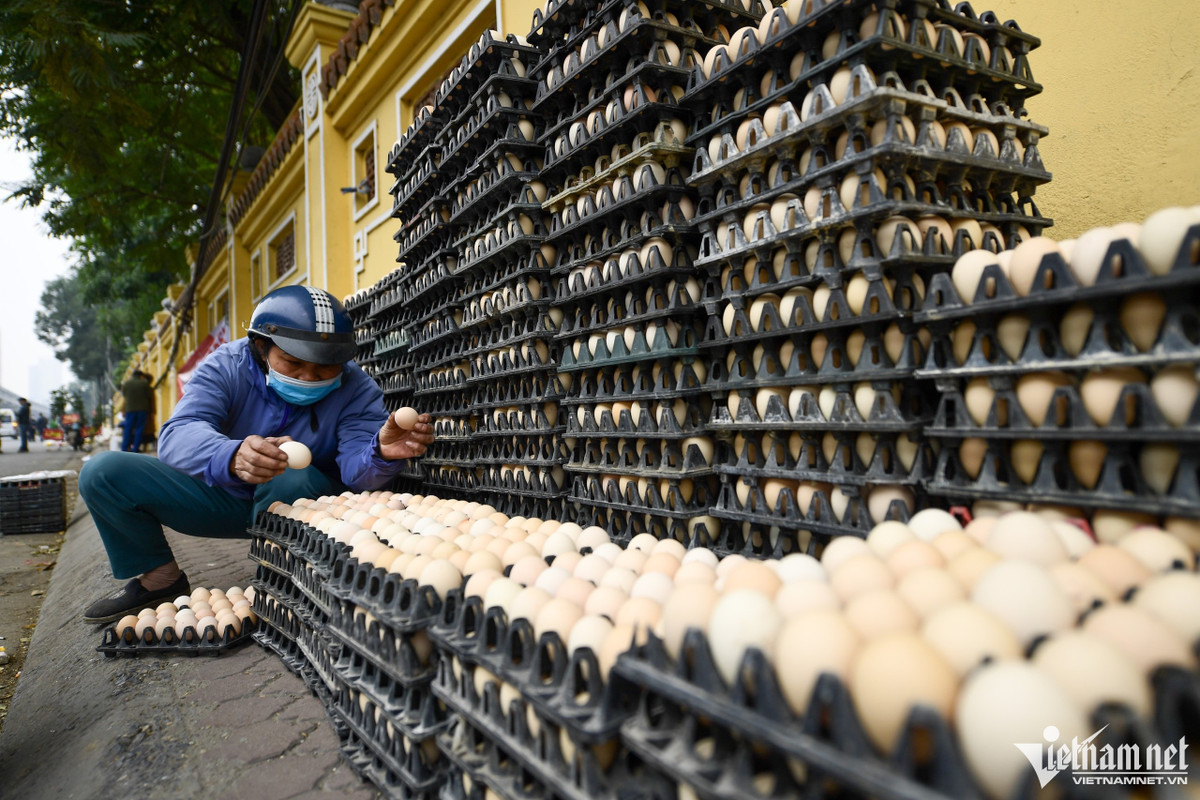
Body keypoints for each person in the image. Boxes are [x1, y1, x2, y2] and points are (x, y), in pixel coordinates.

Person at [79, 286, 434, 623]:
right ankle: (160, 578)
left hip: (305, 508)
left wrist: (381, 453)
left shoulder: (356, 387)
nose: (310, 376)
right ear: (260, 347)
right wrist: (231, 455)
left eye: (325, 367)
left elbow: (359, 474)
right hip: (224, 498)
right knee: (103, 472)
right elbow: (178, 435)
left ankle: (282, 575)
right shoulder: (227, 367)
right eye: (293, 363)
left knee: (290, 472)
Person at [120, 370, 154, 452]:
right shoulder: (144, 383)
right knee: (139, 429)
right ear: (141, 376)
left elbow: (124, 395)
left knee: (128, 429)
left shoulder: (126, 384)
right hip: (142, 409)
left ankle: (124, 448)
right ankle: (135, 449)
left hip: (130, 409)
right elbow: (150, 395)